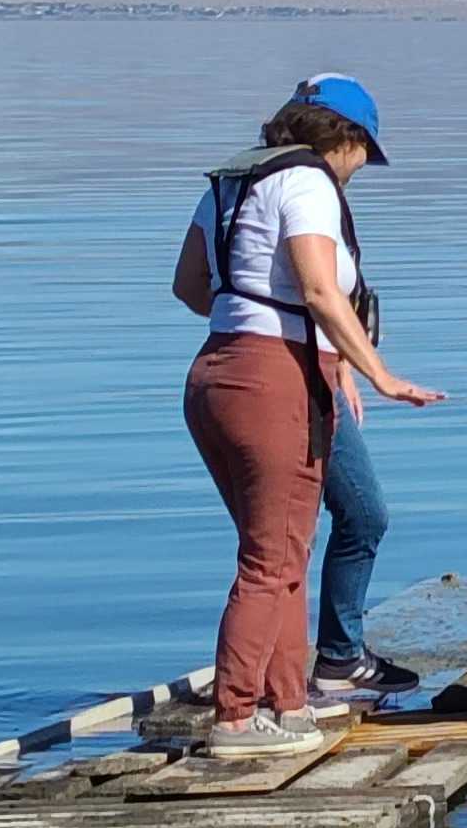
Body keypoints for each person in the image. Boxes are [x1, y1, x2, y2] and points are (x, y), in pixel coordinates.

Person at [169, 76, 444, 759]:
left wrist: (253, 318)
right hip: (271, 378)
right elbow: (321, 290)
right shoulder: (310, 184)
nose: (359, 172)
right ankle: (236, 718)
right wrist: (379, 374)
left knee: (287, 547)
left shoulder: (232, 183)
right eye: (363, 156)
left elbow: (188, 287)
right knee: (269, 559)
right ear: (347, 140)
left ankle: (286, 702)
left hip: (215, 373)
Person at [307, 387, 415, 701]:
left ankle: (337, 657)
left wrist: (342, 370)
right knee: (362, 516)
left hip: (318, 381)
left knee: (354, 519)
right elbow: (333, 333)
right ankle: (333, 660)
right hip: (302, 386)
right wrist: (381, 378)